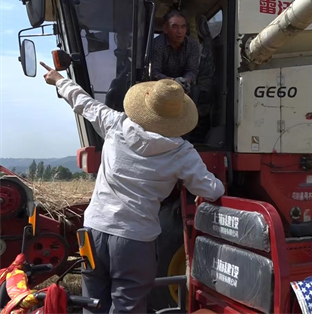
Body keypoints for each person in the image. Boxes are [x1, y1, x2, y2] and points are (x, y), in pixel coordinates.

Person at [40, 62, 224, 314]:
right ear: (178, 116)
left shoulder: (115, 124)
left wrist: (59, 80)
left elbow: (83, 102)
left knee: (92, 304)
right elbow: (210, 190)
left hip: (93, 232)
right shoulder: (181, 152)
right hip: (135, 241)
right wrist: (220, 186)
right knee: (128, 307)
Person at [151, 9, 201, 94]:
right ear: (165, 29)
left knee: (195, 90)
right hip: (160, 85)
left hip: (184, 86)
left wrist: (186, 81)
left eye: (183, 27)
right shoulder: (157, 45)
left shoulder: (193, 45)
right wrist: (173, 81)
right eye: (174, 26)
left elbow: (192, 70)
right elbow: (154, 72)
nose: (180, 31)